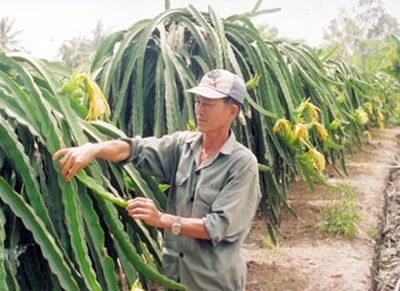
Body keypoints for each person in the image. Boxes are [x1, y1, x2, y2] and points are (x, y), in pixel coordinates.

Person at [53, 69, 261, 290]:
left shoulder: (242, 164)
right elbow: (135, 149)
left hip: (213, 283)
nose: (200, 110)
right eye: (198, 101)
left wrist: (161, 219)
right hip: (173, 277)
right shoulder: (183, 146)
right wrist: (93, 149)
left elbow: (218, 227)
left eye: (209, 104)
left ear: (232, 110)